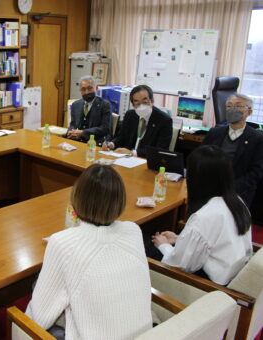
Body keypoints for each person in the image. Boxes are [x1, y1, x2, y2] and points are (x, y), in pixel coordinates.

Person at [26, 164, 152, 339]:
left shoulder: (62, 243)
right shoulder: (133, 231)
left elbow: (39, 318)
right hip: (145, 335)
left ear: (77, 197)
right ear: (120, 200)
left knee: (38, 289)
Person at [151, 145, 252, 285]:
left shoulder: (205, 216)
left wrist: (163, 245)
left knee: (146, 247)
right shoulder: (237, 201)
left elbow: (179, 265)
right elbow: (215, 241)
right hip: (231, 275)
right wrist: (180, 239)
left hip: (209, 285)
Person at [202, 93, 263, 207]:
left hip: (239, 193)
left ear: (249, 112)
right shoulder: (215, 132)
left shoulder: (257, 139)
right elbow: (201, 158)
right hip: (210, 187)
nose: (232, 109)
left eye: (238, 106)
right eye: (229, 106)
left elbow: (256, 172)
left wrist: (230, 188)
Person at [103, 85, 172, 158]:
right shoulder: (130, 115)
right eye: (137, 103)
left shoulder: (164, 120)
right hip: (126, 159)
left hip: (147, 161)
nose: (141, 106)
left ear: (152, 101)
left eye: (145, 102)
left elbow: (160, 151)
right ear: (133, 105)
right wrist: (112, 144)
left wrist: (133, 153)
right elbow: (121, 137)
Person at [66, 75, 112, 143]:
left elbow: (105, 128)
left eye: (90, 88)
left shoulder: (105, 105)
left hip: (96, 141)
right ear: (80, 91)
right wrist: (71, 132)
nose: (86, 92)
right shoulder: (76, 104)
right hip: (77, 140)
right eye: (83, 89)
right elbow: (73, 124)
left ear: (96, 88)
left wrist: (83, 132)